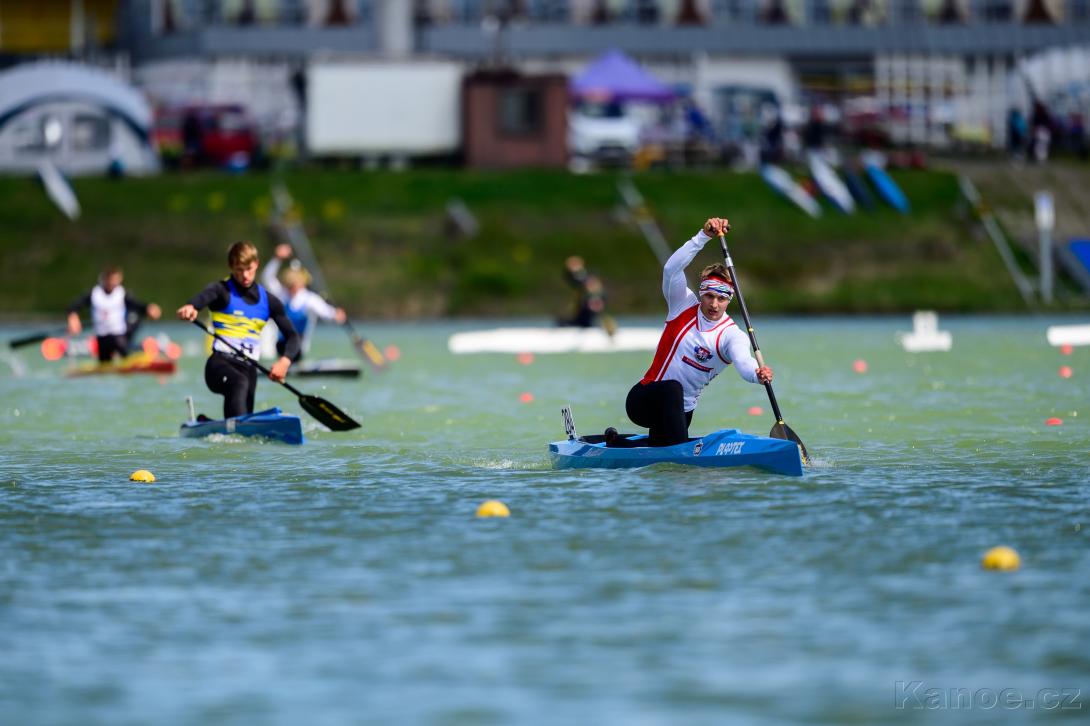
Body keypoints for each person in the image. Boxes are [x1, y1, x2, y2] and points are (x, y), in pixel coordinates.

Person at [610, 217, 772, 447]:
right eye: (709, 296)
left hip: (681, 413)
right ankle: (678, 450)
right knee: (672, 389)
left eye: (721, 298)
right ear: (701, 293)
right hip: (643, 400)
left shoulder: (732, 335)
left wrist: (757, 374)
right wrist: (703, 237)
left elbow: (744, 362)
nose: (714, 304)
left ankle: (616, 443)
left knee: (662, 452)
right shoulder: (683, 305)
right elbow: (670, 269)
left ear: (729, 300)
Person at [176, 241, 300, 419]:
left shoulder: (269, 301)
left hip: (249, 368)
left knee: (242, 413)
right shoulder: (221, 290)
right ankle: (234, 429)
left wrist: (284, 362)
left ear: (256, 264)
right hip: (219, 364)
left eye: (249, 268)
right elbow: (202, 298)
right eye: (239, 270)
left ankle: (211, 424)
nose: (245, 275)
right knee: (238, 383)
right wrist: (190, 307)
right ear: (231, 267)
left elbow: (293, 337)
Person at [261, 243, 347, 361]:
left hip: (299, 348)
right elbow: (267, 277)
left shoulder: (310, 299)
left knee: (295, 344)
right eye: (290, 285)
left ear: (302, 283)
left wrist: (336, 314)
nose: (292, 289)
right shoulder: (282, 294)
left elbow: (325, 312)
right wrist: (277, 258)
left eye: (295, 285)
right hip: (281, 346)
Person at [66, 266, 162, 363]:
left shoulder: (122, 293)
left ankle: (135, 361)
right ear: (104, 279)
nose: (113, 282)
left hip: (118, 335)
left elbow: (137, 305)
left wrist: (149, 309)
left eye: (116, 280)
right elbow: (75, 305)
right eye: (111, 279)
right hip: (102, 336)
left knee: (126, 355)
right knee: (104, 362)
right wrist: (73, 318)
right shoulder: (94, 293)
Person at [558, 255, 608, 329]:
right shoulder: (577, 278)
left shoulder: (588, 277)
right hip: (581, 313)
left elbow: (597, 294)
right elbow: (571, 278)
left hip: (588, 315)